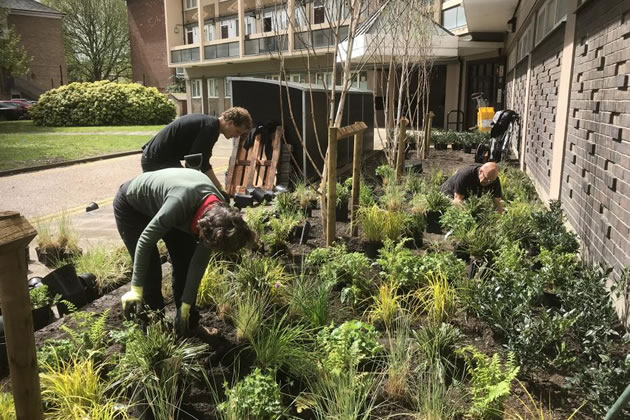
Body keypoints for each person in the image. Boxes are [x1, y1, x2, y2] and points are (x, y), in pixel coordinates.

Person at [115, 167, 254, 336]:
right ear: (202, 228)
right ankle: (154, 329)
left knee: (185, 260)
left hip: (170, 205)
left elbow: (197, 264)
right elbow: (145, 240)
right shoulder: (180, 204)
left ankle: (187, 323)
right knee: (150, 269)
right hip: (132, 206)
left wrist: (186, 306)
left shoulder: (221, 216)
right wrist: (135, 289)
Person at [141, 107, 253, 192]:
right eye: (238, 131)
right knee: (185, 191)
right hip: (156, 161)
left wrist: (217, 188)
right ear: (230, 123)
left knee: (188, 189)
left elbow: (200, 162)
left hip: (160, 158)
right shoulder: (210, 128)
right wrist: (219, 190)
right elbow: (196, 164)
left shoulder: (209, 125)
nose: (237, 136)